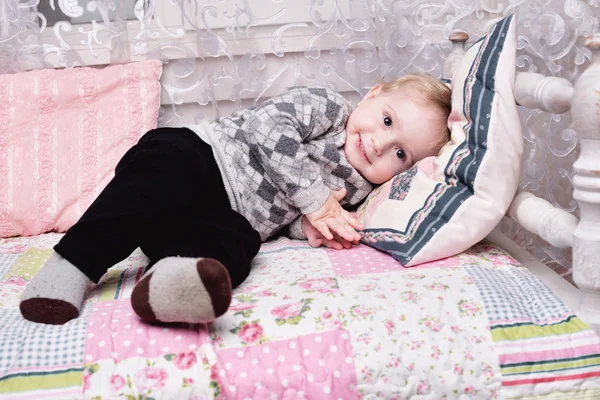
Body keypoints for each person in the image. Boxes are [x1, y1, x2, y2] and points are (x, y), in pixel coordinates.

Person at [19, 73, 452, 325]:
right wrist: (317, 202)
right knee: (157, 181)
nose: (379, 145)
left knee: (239, 240)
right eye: (387, 120)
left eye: (400, 153)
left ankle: (171, 282)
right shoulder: (330, 109)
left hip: (219, 215)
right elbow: (269, 127)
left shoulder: (360, 190)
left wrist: (310, 228)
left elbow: (286, 222)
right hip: (203, 157)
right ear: (374, 94)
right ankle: (71, 267)